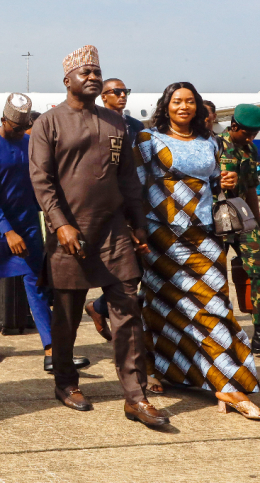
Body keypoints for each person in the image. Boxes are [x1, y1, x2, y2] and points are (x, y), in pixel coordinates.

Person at [29, 45, 167, 426]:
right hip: (70, 237)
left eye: (96, 71)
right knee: (67, 318)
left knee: (128, 314)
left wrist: (138, 221)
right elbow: (41, 180)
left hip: (114, 234)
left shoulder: (115, 122)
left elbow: (127, 178)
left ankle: (135, 397)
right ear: (67, 80)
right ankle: (65, 381)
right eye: (84, 72)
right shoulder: (48, 123)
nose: (92, 77)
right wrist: (61, 223)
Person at [137, 83, 260, 420]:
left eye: (190, 101)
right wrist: (136, 230)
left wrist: (224, 182)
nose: (184, 107)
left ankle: (229, 386)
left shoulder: (210, 142)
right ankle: (158, 370)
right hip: (162, 235)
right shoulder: (148, 142)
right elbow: (134, 188)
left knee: (214, 308)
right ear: (167, 105)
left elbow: (210, 182)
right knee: (161, 307)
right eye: (177, 101)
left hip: (204, 233)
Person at [0, 93, 88, 372]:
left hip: (26, 225)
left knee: (35, 284)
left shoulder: (29, 143)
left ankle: (52, 349)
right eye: (15, 127)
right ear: (3, 120)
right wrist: (7, 232)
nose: (19, 132)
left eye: (24, 127)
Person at [85, 78, 144, 345]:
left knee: (140, 268)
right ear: (103, 97)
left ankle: (99, 307)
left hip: (137, 202)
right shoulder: (97, 125)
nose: (122, 96)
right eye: (116, 92)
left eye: (125, 91)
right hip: (110, 206)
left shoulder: (136, 127)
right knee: (122, 268)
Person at [219, 104, 260, 353]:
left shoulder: (250, 150)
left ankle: (259, 337)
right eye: (247, 132)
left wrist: (258, 221)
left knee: (258, 271)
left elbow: (252, 191)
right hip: (217, 221)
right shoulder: (214, 145)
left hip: (243, 220)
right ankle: (220, 333)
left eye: (254, 133)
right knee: (213, 278)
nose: (251, 137)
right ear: (234, 125)